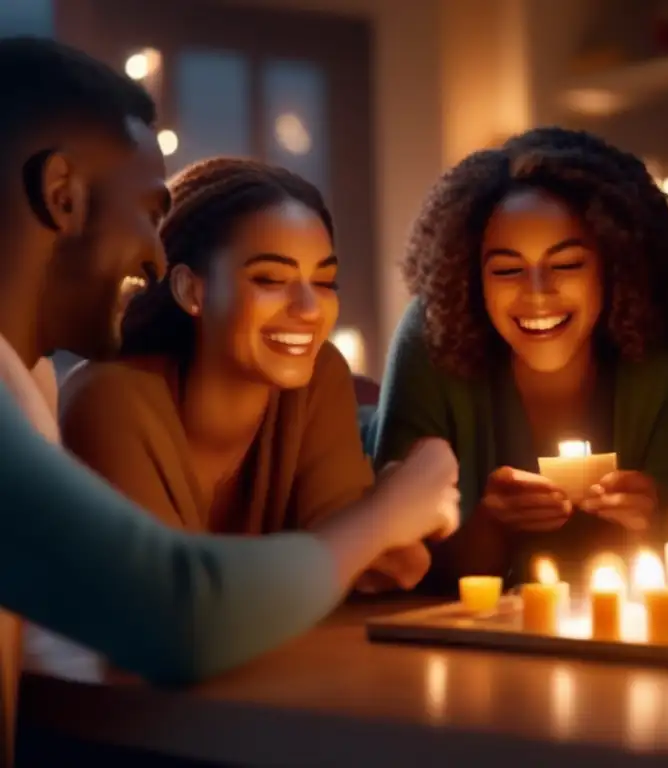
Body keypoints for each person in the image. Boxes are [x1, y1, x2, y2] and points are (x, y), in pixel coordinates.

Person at [0, 33, 458, 699]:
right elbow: (174, 618)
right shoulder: (80, 395)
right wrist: (387, 513)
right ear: (61, 195)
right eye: (149, 215)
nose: (157, 261)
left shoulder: (25, 382)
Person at [370, 127, 668, 592]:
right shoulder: (432, 336)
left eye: (567, 264)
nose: (537, 295)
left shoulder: (667, 353)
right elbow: (395, 571)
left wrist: (655, 514)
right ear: (472, 280)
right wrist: (491, 526)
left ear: (614, 266)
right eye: (508, 270)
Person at [59, 157, 430, 591]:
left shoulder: (318, 376)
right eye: (271, 279)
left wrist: (381, 531)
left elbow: (375, 566)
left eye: (325, 282)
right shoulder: (107, 400)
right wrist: (383, 517)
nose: (310, 310)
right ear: (190, 290)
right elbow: (167, 602)